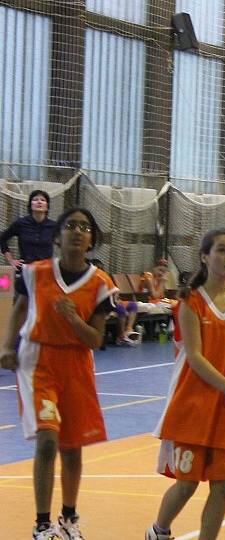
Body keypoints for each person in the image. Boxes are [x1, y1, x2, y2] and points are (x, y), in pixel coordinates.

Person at [0, 207, 116, 539]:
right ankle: (40, 524)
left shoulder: (101, 283)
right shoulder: (34, 273)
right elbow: (20, 308)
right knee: (48, 439)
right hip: (39, 360)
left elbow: (94, 339)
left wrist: (73, 320)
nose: (77, 231)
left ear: (92, 238)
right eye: (70, 226)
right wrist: (7, 346)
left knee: (72, 445)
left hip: (77, 363)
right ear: (58, 236)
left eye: (84, 226)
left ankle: (68, 519)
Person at [146, 229, 225, 540]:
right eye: (222, 250)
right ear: (205, 257)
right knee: (187, 483)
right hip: (192, 405)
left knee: (222, 484)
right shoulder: (190, 302)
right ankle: (158, 531)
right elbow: (195, 358)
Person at [0, 190, 56, 301]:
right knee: (20, 305)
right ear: (30, 205)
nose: (39, 202)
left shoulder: (54, 226)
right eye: (35, 199)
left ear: (47, 206)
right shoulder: (20, 223)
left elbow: (64, 244)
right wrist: (11, 260)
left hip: (46, 273)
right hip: (25, 271)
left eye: (42, 200)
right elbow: (2, 239)